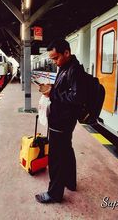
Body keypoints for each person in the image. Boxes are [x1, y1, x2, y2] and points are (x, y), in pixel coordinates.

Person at [35, 38, 85, 203]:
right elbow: (67, 90)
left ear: (67, 53)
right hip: (62, 119)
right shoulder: (66, 67)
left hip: (62, 121)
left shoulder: (74, 70)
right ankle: (70, 182)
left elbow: (77, 96)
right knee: (66, 151)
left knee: (56, 157)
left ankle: (54, 194)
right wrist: (53, 87)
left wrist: (52, 93)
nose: (54, 62)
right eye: (52, 59)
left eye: (56, 58)